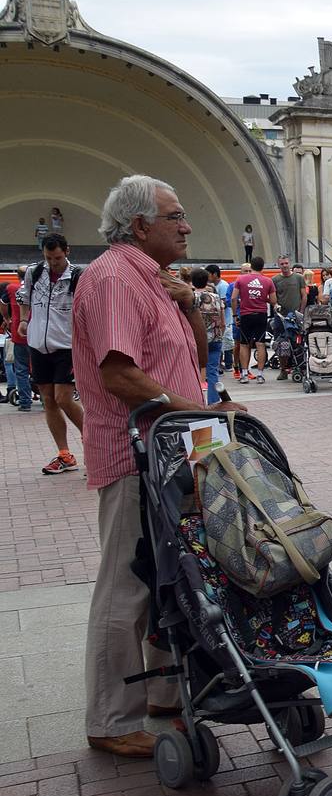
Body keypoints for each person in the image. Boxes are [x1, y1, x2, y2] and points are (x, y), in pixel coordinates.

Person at [73, 174, 245, 757]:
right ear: (141, 225)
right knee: (126, 585)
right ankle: (112, 721)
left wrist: (190, 302)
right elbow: (119, 375)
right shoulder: (119, 277)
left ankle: (166, 696)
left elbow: (192, 358)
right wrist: (198, 409)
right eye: (176, 216)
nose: (188, 225)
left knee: (171, 576)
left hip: (171, 451)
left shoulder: (153, 281)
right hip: (135, 454)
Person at [17, 235, 86, 473]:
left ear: (67, 251)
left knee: (64, 398)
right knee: (48, 399)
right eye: (48, 258)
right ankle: (64, 454)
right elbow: (23, 297)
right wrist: (24, 320)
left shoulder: (77, 276)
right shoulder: (35, 272)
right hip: (38, 345)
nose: (53, 263)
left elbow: (87, 309)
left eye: (57, 258)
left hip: (66, 346)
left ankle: (95, 446)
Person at [232, 256, 274, 383]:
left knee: (244, 344)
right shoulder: (268, 281)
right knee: (260, 344)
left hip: (245, 314)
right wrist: (262, 298)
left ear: (251, 266)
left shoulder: (241, 279)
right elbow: (273, 301)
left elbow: (234, 298)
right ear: (263, 267)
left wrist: (235, 315)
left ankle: (244, 374)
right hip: (261, 314)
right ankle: (260, 375)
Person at [190, 268, 225, 405]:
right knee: (212, 372)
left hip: (196, 339)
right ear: (207, 280)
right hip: (215, 337)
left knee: (193, 371)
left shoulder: (191, 297)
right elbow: (222, 320)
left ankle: (195, 401)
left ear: (192, 281)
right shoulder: (216, 297)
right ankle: (213, 402)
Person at [6, 267, 33, 411]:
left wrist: (7, 319)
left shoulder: (11, 288)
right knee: (39, 367)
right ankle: (45, 399)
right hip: (36, 334)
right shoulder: (37, 288)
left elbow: (4, 307)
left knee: (21, 369)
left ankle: (25, 402)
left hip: (19, 334)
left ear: (18, 275)